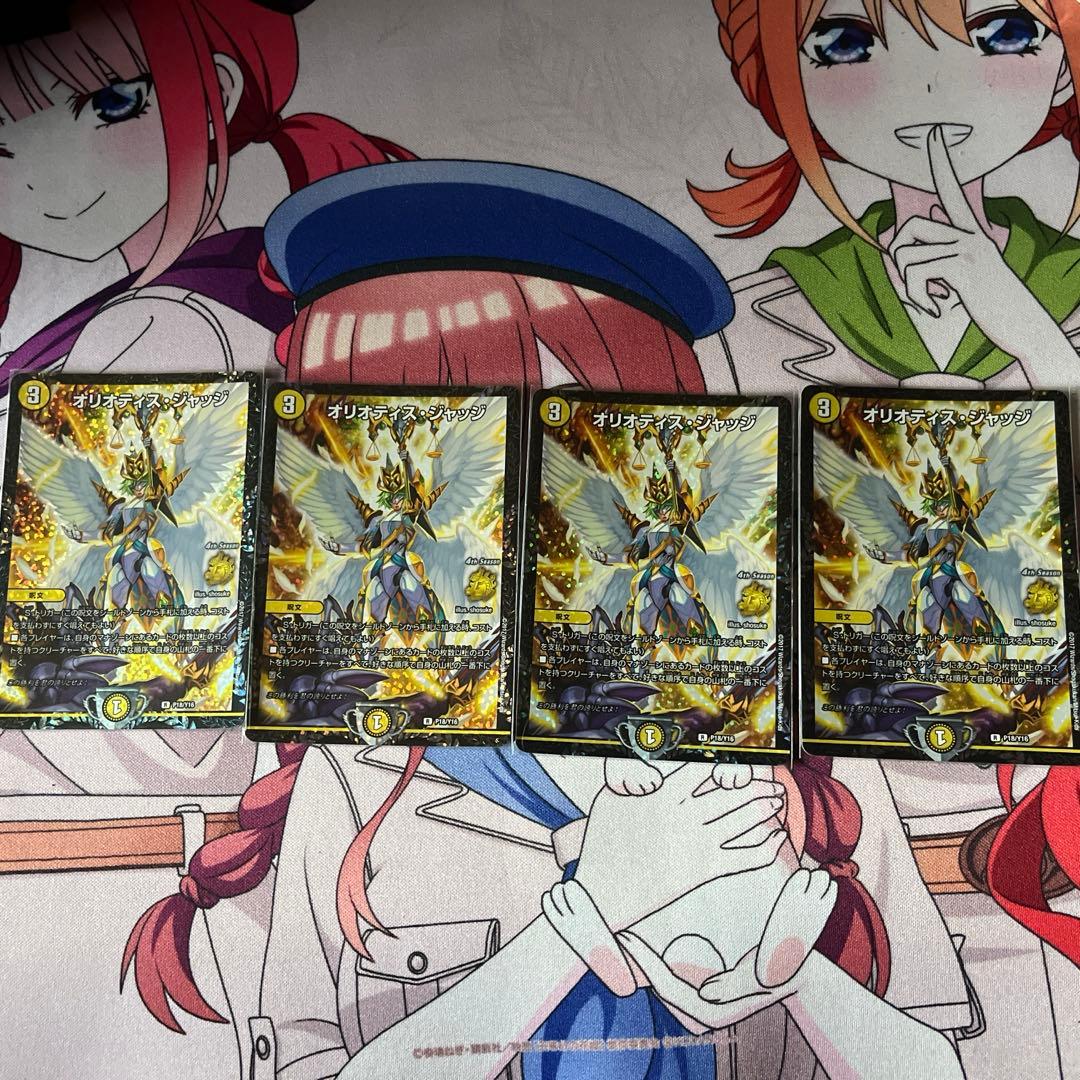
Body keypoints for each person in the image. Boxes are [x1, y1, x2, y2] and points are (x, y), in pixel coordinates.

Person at [125, 161, 971, 1079]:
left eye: (580, 448)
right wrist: (586, 918)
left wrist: (787, 973)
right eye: (442, 468)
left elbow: (938, 1061)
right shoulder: (360, 769)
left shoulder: (788, 738)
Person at [0, 5, 410, 1079]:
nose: (42, 169)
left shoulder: (157, 330)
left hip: (143, 804)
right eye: (3, 139)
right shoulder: (218, 300)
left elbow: (144, 687)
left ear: (218, 91)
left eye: (109, 106)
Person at [690, 0, 1080, 1073]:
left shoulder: (1065, 298)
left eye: (1002, 33)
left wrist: (1029, 332)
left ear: (1064, 68)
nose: (928, 81)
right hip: (840, 850)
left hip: (1049, 832)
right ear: (786, 85)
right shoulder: (759, 319)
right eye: (849, 43)